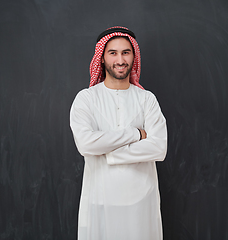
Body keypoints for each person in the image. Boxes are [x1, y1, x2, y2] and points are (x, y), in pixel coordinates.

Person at [70, 26, 168, 240]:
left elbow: (159, 148)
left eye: (126, 52)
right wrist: (135, 134)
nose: (120, 59)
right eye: (112, 53)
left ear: (134, 56)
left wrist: (109, 153)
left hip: (142, 204)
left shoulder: (146, 100)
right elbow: (86, 144)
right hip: (100, 201)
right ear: (102, 58)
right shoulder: (86, 99)